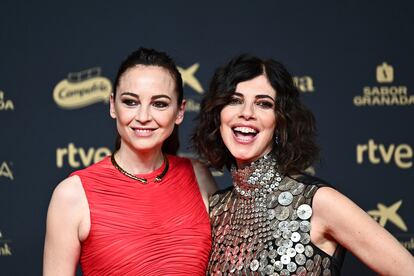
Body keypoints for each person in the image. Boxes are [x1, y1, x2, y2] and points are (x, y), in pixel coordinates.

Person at [192, 54, 414, 275]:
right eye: (234, 100)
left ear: (280, 121)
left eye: (263, 104)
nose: (247, 113)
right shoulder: (216, 209)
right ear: (218, 115)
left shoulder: (317, 202)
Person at [43, 47, 217, 275]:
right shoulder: (72, 195)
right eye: (131, 102)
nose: (143, 117)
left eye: (160, 104)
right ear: (113, 105)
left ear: (180, 111)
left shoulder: (198, 176)